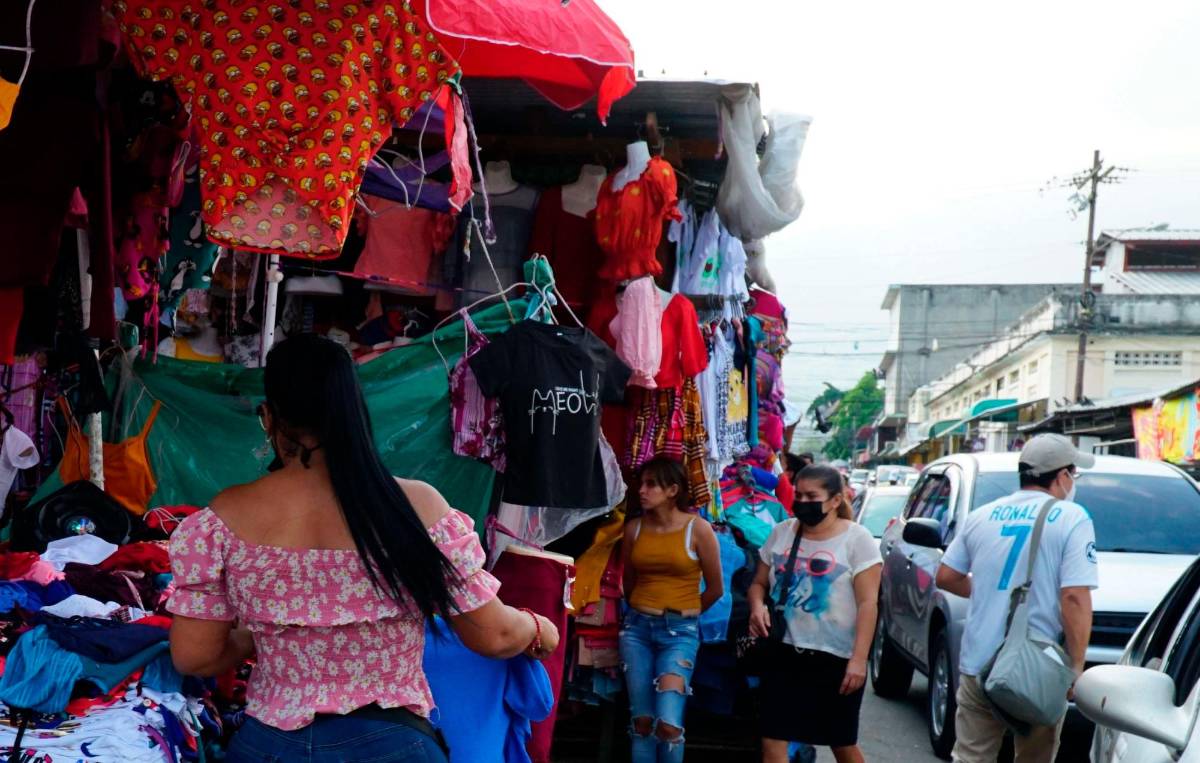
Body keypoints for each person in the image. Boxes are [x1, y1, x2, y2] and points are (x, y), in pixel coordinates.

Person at [166, 334, 561, 763]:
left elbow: (195, 655)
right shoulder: (417, 508)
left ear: (269, 417)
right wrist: (538, 629)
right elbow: (495, 634)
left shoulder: (221, 521)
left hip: (270, 747)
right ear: (354, 411)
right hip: (394, 745)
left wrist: (265, 635)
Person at [935, 434, 1097, 763]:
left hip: (978, 661)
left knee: (969, 757)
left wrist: (985, 591)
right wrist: (1077, 666)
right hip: (1039, 666)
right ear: (1062, 476)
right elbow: (1074, 597)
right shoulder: (1071, 517)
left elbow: (946, 577)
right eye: (1074, 473)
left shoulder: (982, 515)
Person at [748, 465, 882, 763]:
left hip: (834, 659)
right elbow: (758, 583)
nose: (802, 502)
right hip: (782, 653)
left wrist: (858, 661)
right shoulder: (781, 533)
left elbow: (868, 605)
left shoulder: (857, 540)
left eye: (812, 496)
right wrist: (757, 606)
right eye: (798, 495)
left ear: (836, 500)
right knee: (773, 741)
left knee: (841, 743)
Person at [620, 456, 724, 763]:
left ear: (673, 490)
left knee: (668, 723)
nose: (642, 490)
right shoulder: (634, 529)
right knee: (641, 722)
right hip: (636, 629)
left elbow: (716, 589)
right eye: (642, 483)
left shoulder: (699, 529)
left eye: (652, 484)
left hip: (679, 633)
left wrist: (685, 612)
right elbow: (628, 581)